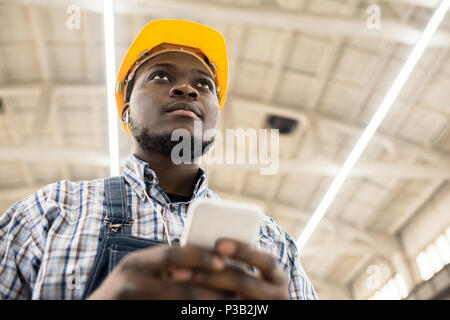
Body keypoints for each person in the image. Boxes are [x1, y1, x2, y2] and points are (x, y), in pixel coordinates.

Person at [0, 20, 316, 300]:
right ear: (125, 110)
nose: (186, 89)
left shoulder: (271, 243)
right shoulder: (49, 213)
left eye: (204, 84)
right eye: (161, 75)